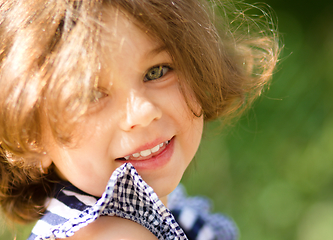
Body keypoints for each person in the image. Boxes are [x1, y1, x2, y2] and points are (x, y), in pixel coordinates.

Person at [0, 0, 279, 239]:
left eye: (157, 71)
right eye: (90, 95)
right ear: (32, 135)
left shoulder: (158, 216)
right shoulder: (112, 234)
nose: (143, 111)